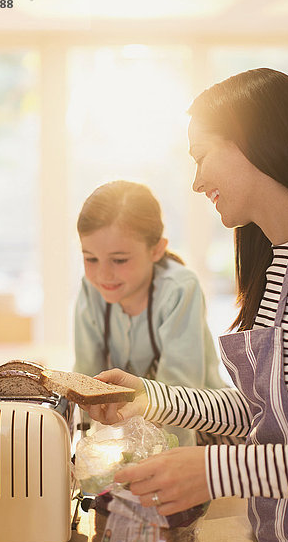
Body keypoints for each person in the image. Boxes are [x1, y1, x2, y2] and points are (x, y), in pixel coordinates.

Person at [81, 68, 288, 542]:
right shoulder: (278, 259)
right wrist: (147, 397)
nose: (198, 182)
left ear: (253, 143)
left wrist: (212, 472)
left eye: (201, 157)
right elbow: (263, 415)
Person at [74, 180, 223, 446]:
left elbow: (181, 397)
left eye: (119, 260)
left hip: (202, 429)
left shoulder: (179, 289)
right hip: (139, 433)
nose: (102, 274)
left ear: (157, 249)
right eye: (91, 258)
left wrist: (171, 467)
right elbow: (86, 380)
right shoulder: (90, 289)